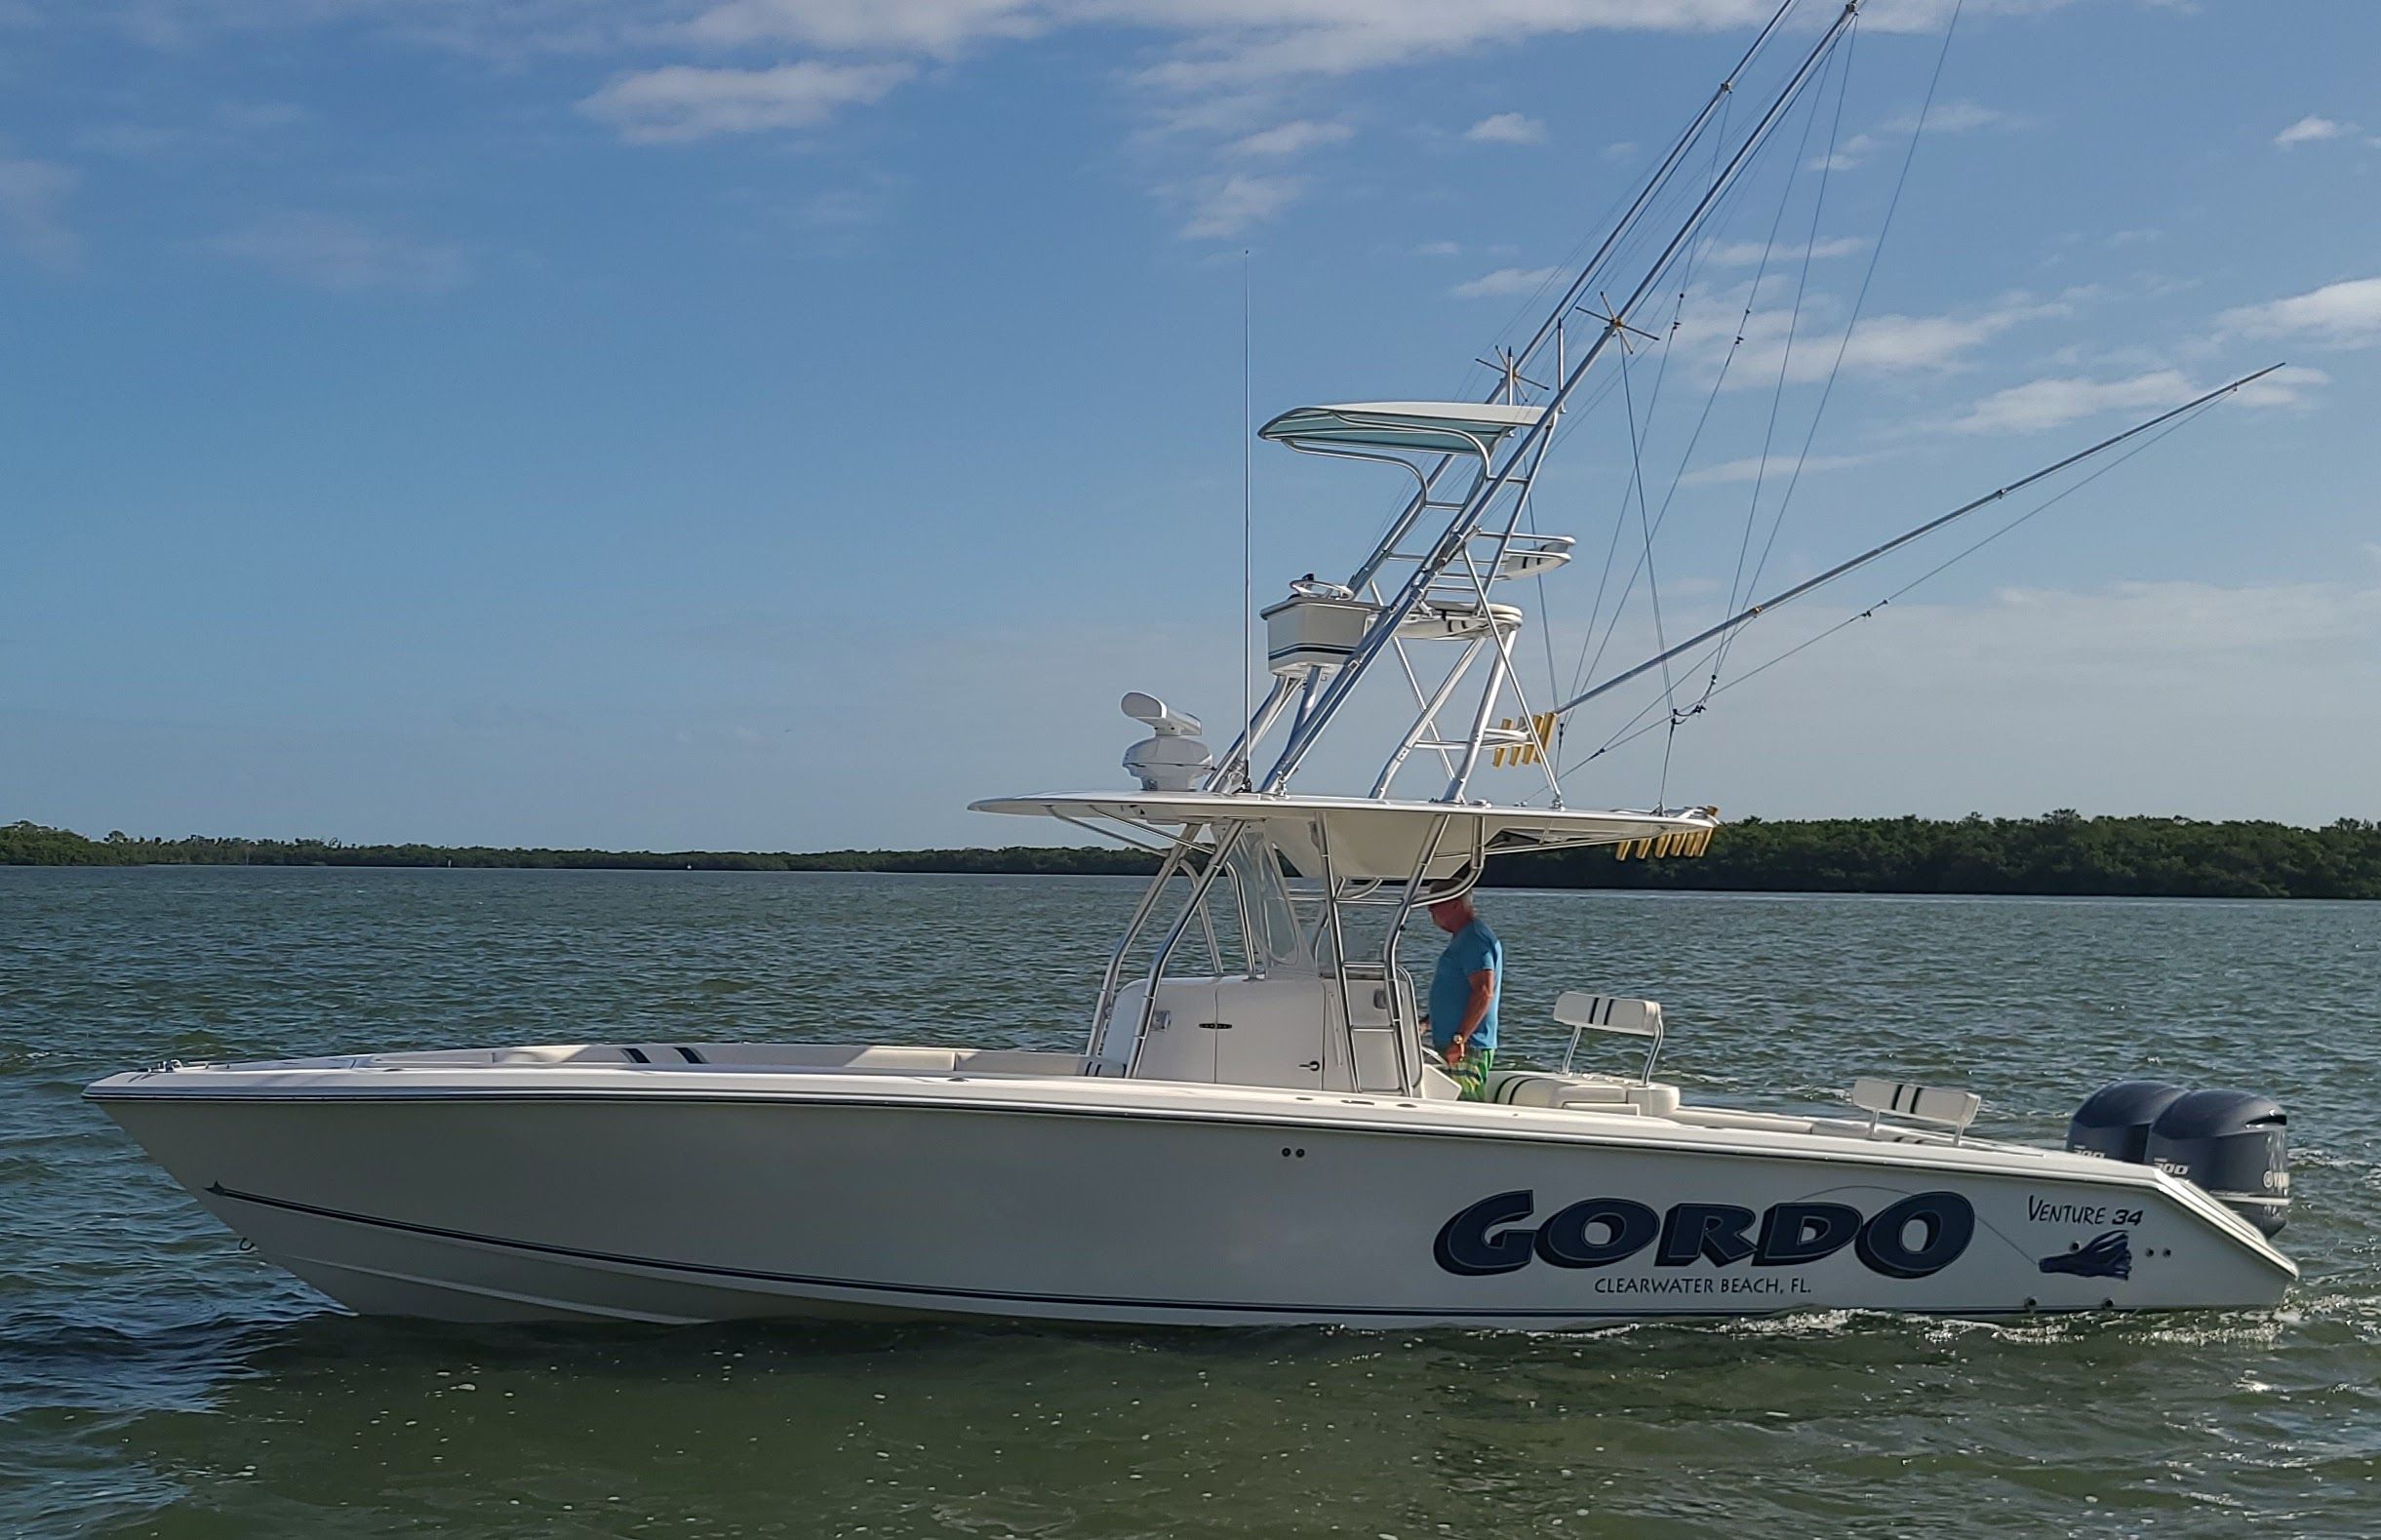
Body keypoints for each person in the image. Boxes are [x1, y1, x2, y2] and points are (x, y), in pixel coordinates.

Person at [1423, 886, 1500, 1100]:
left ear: (1456, 905)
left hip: (1468, 1045)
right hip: (1456, 1042)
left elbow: (1484, 991)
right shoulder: (1464, 937)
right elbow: (1457, 990)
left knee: (1464, 1104)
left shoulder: (1474, 939)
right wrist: (1428, 1022)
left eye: (1435, 903)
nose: (1430, 909)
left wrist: (1460, 1040)